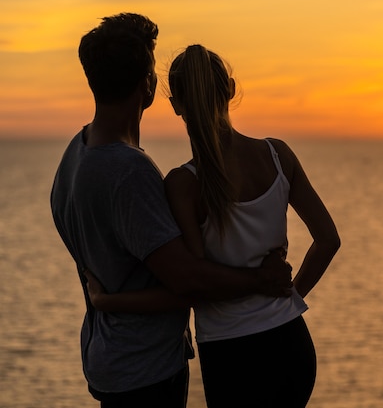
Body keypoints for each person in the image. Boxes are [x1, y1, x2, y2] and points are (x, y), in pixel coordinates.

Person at [50, 14, 293, 408]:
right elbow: (187, 281)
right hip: (144, 370)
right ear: (147, 85)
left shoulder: (74, 156)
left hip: (107, 357)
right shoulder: (129, 172)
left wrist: (108, 301)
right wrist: (261, 280)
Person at [86, 44, 341, 407]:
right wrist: (290, 296)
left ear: (176, 105)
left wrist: (108, 300)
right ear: (231, 90)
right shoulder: (277, 154)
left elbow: (193, 284)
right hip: (292, 344)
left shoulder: (183, 184)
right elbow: (328, 240)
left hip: (232, 355)